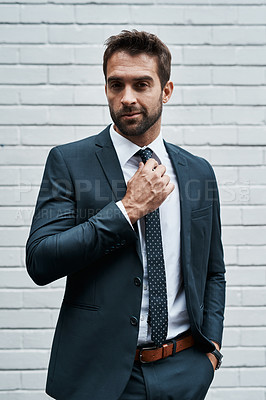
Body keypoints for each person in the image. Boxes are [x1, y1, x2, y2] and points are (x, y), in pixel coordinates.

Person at [26, 30, 226, 400]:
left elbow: (213, 270)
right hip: (98, 379)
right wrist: (126, 210)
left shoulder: (198, 172)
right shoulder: (69, 162)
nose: (127, 98)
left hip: (185, 371)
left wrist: (210, 352)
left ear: (166, 91)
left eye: (141, 84)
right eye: (115, 84)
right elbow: (41, 260)